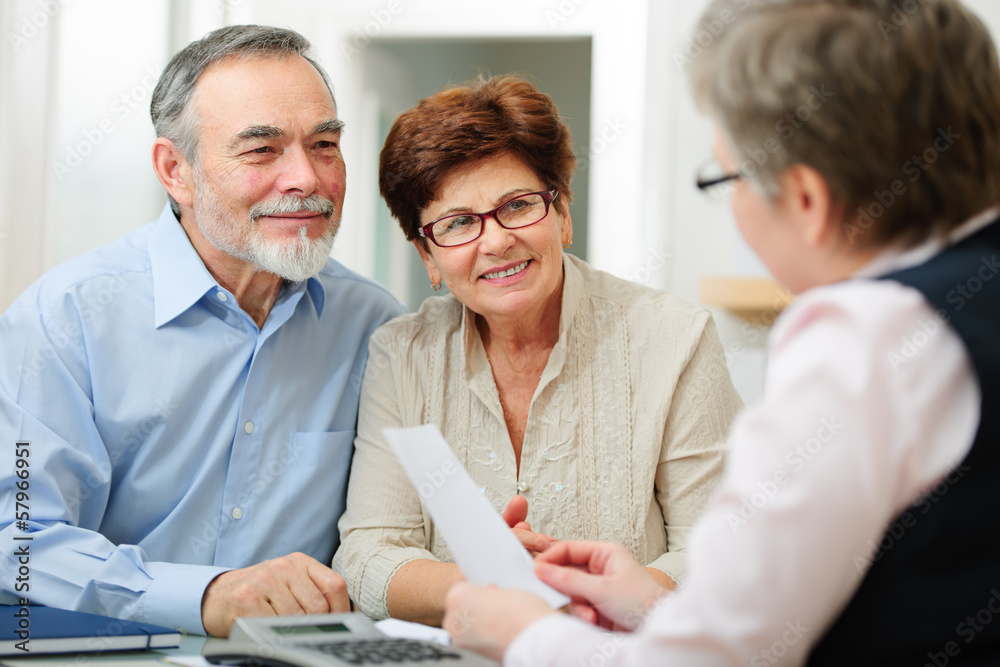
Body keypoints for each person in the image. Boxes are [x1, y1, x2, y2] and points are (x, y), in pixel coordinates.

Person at [441, 0, 1000, 664]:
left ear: (807, 200)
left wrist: (525, 634)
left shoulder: (864, 340)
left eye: (728, 177)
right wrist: (660, 609)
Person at [0, 25, 403, 637]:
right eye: (262, 150)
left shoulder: (375, 326)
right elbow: (18, 540)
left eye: (324, 144)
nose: (306, 178)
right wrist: (204, 595)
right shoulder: (65, 318)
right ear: (175, 170)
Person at [333, 75, 743, 625]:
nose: (496, 240)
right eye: (458, 223)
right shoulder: (401, 354)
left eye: (518, 205)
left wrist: (597, 600)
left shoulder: (674, 339)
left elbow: (720, 547)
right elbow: (366, 556)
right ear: (428, 256)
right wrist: (486, 581)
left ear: (562, 212)